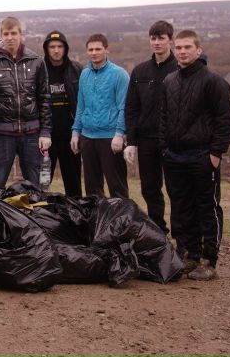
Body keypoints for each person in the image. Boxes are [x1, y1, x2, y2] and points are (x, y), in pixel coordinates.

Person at [160, 30, 230, 280]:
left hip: (203, 155)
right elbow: (164, 119)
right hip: (174, 157)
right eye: (178, 47)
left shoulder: (213, 81)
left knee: (207, 207)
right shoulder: (169, 81)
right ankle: (188, 254)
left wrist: (215, 153)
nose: (182, 51)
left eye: (187, 47)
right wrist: (164, 149)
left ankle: (208, 259)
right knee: (181, 207)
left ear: (198, 50)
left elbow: (226, 120)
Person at [0, 17, 52, 190]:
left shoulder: (36, 61)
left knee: (37, 185)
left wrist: (45, 132)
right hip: (2, 134)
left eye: (14, 33)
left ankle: (38, 217)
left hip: (32, 134)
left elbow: (44, 98)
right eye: (6, 34)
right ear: (1, 35)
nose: (10, 37)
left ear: (21, 34)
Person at [124, 20, 177, 233]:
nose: (156, 42)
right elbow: (132, 108)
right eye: (153, 38)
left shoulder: (179, 69)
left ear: (170, 40)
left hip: (173, 140)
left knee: (176, 189)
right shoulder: (140, 72)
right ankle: (158, 231)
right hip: (146, 139)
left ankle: (183, 236)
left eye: (161, 38)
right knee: (150, 188)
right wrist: (132, 141)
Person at [71, 34, 130, 198]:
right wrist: (76, 132)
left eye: (98, 49)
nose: (94, 53)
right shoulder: (84, 75)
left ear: (107, 50)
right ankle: (96, 222)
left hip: (110, 138)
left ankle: (121, 222)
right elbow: (81, 106)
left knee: (117, 188)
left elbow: (123, 107)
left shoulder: (119, 75)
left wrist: (119, 134)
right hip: (87, 137)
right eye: (90, 49)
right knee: (92, 190)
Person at [42, 30, 83, 196]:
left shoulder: (76, 69)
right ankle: (39, 217)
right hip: (46, 138)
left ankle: (77, 217)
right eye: (52, 47)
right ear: (47, 49)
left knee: (73, 183)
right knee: (42, 183)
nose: (56, 50)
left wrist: (79, 130)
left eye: (59, 46)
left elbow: (83, 101)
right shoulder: (39, 69)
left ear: (65, 48)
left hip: (70, 136)